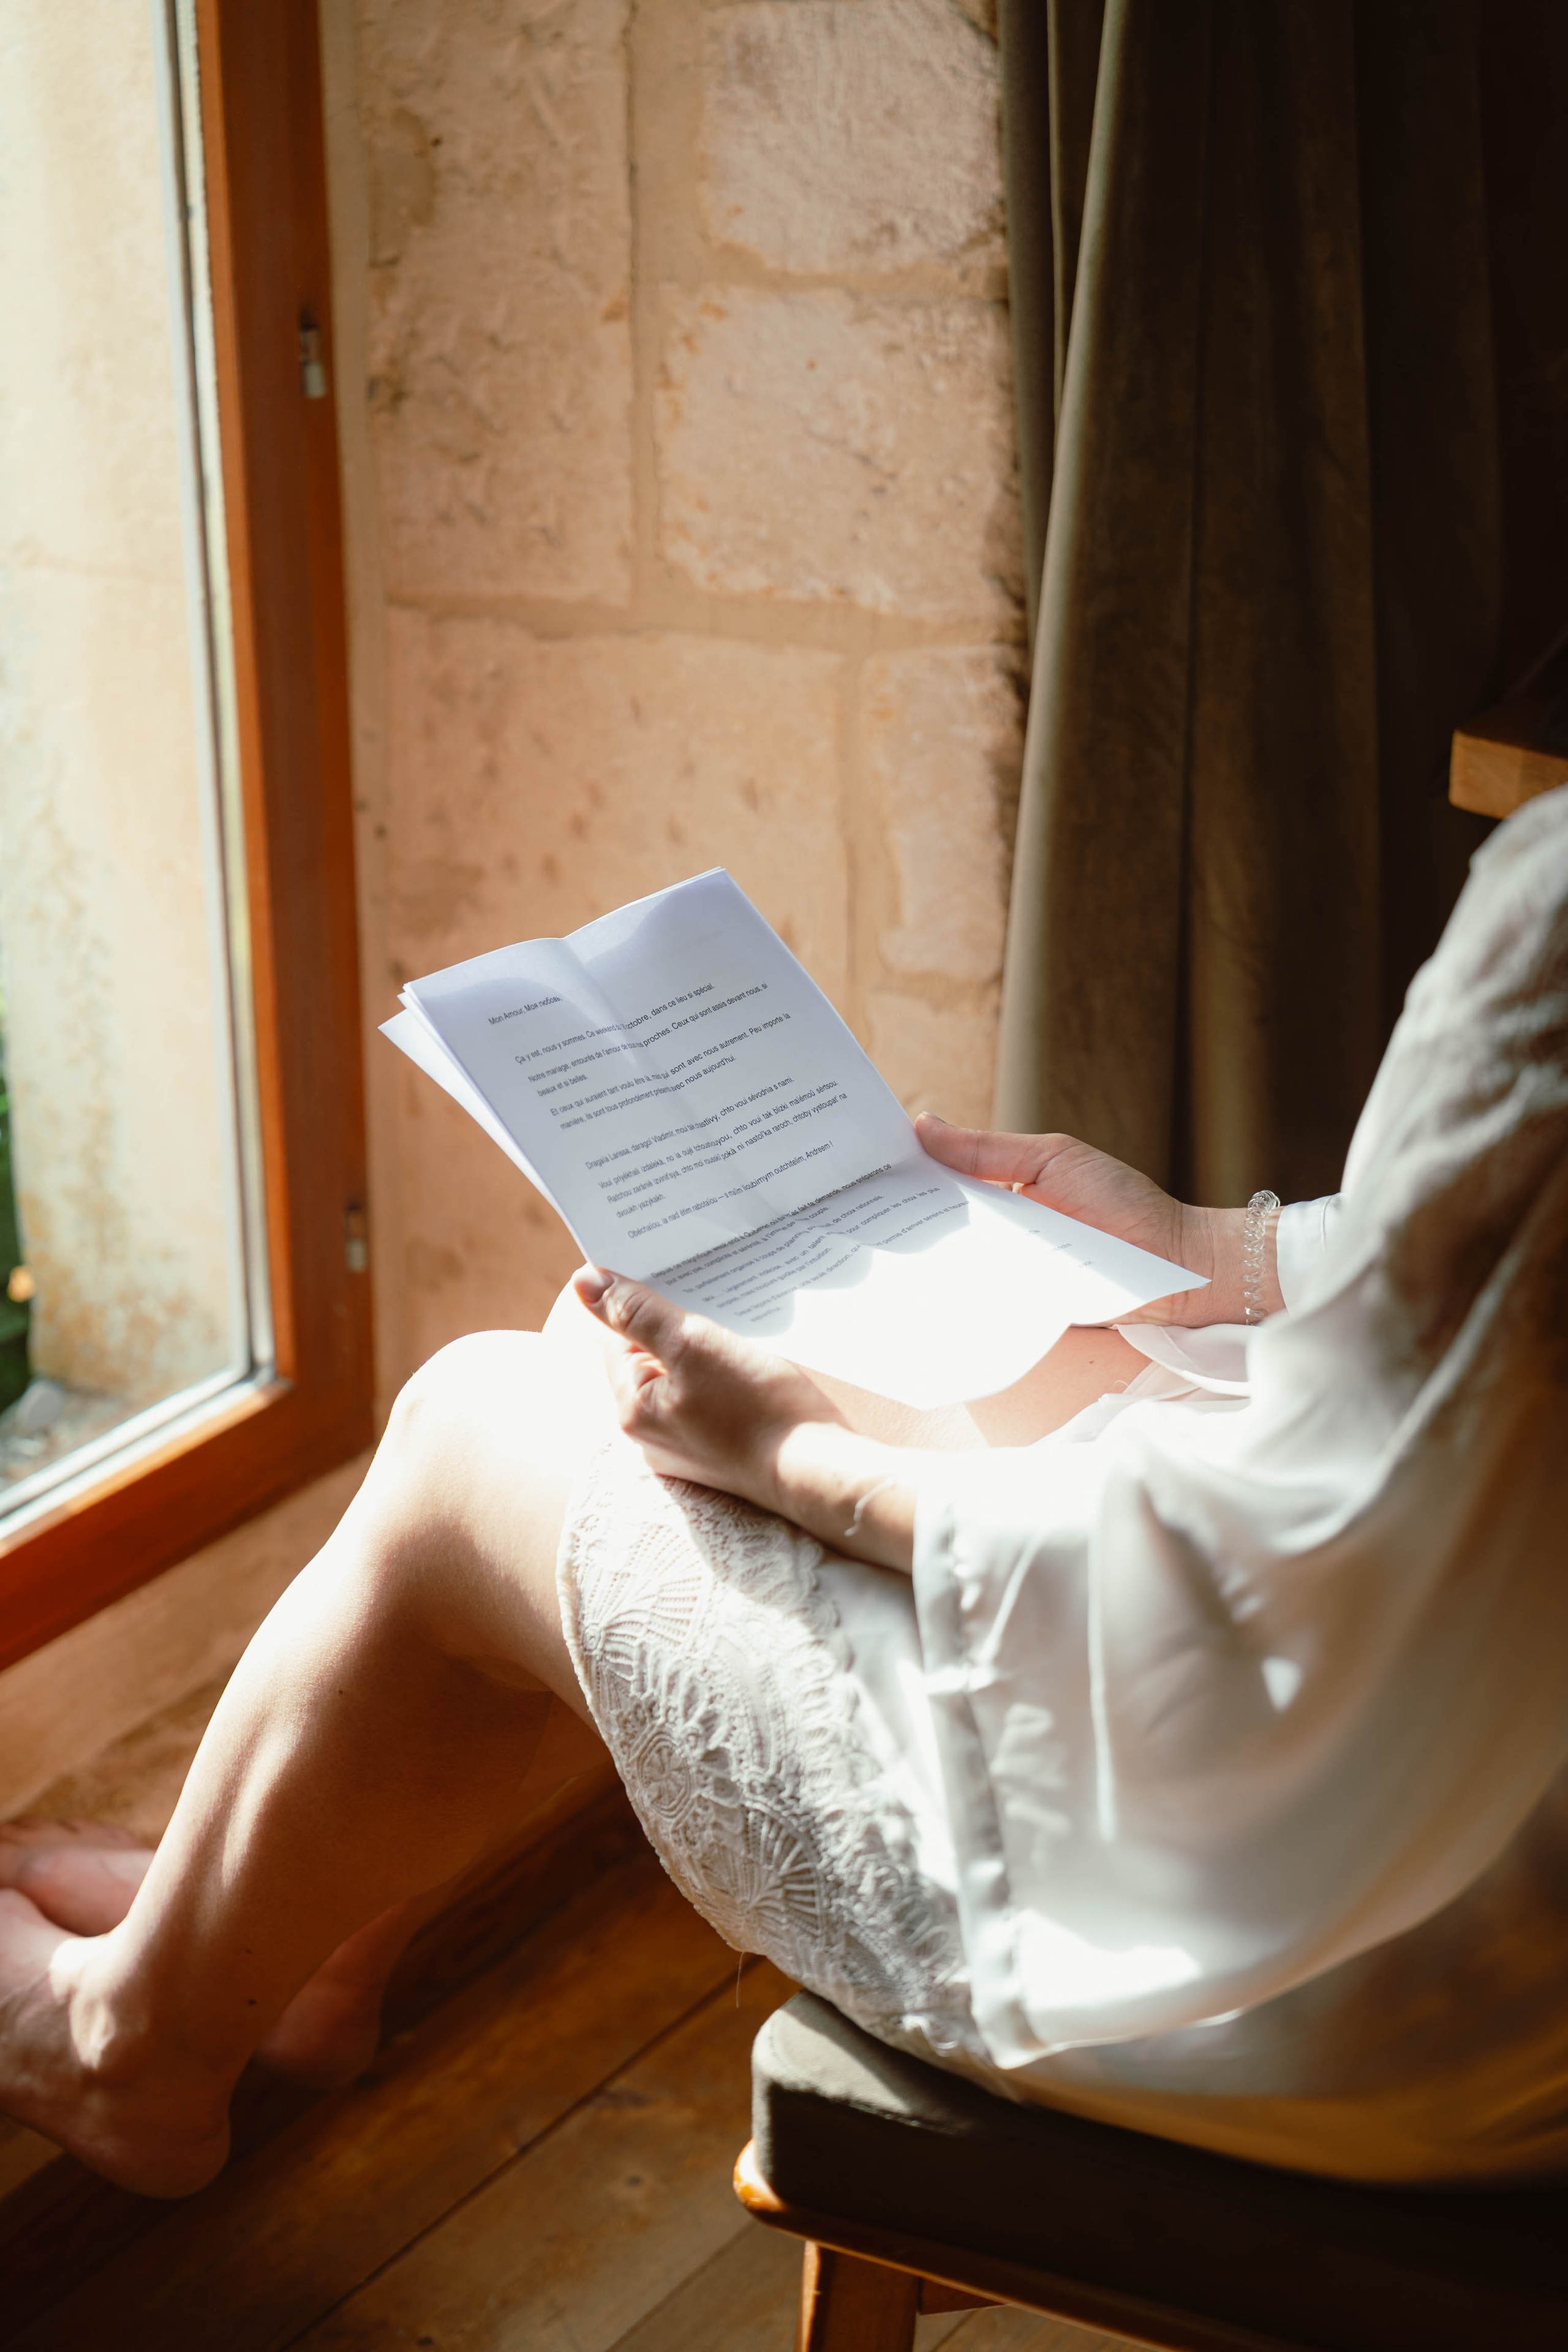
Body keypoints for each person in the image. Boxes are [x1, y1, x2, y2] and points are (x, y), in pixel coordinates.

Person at [4, 791, 1568, 2198]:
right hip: (1475, 1846)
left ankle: (130, 2046)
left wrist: (796, 1463)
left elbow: (1230, 1580)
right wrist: (1212, 1255)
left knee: (472, 1427)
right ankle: (290, 1943)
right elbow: (1484, 1319)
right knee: (835, 1346)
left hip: (1313, 1972)